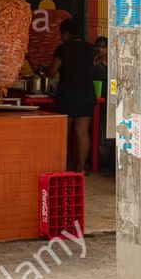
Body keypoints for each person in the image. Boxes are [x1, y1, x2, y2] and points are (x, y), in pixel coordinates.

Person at [48, 19, 97, 173]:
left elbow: (51, 72)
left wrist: (43, 70)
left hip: (67, 94)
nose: (61, 38)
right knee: (82, 132)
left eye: (61, 34)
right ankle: (80, 168)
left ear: (67, 34)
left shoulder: (62, 49)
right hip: (87, 94)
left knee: (64, 133)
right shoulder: (91, 49)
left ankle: (61, 167)